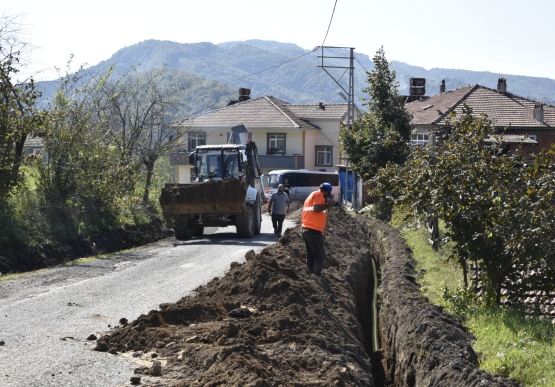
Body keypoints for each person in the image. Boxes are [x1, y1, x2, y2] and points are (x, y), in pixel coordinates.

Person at [301, 182, 334, 276]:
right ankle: (316, 276)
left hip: (307, 229)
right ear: (326, 192)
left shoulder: (312, 195)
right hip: (312, 231)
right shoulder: (318, 194)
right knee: (320, 256)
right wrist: (328, 205)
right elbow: (316, 209)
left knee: (311, 254)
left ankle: (311, 274)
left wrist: (322, 233)